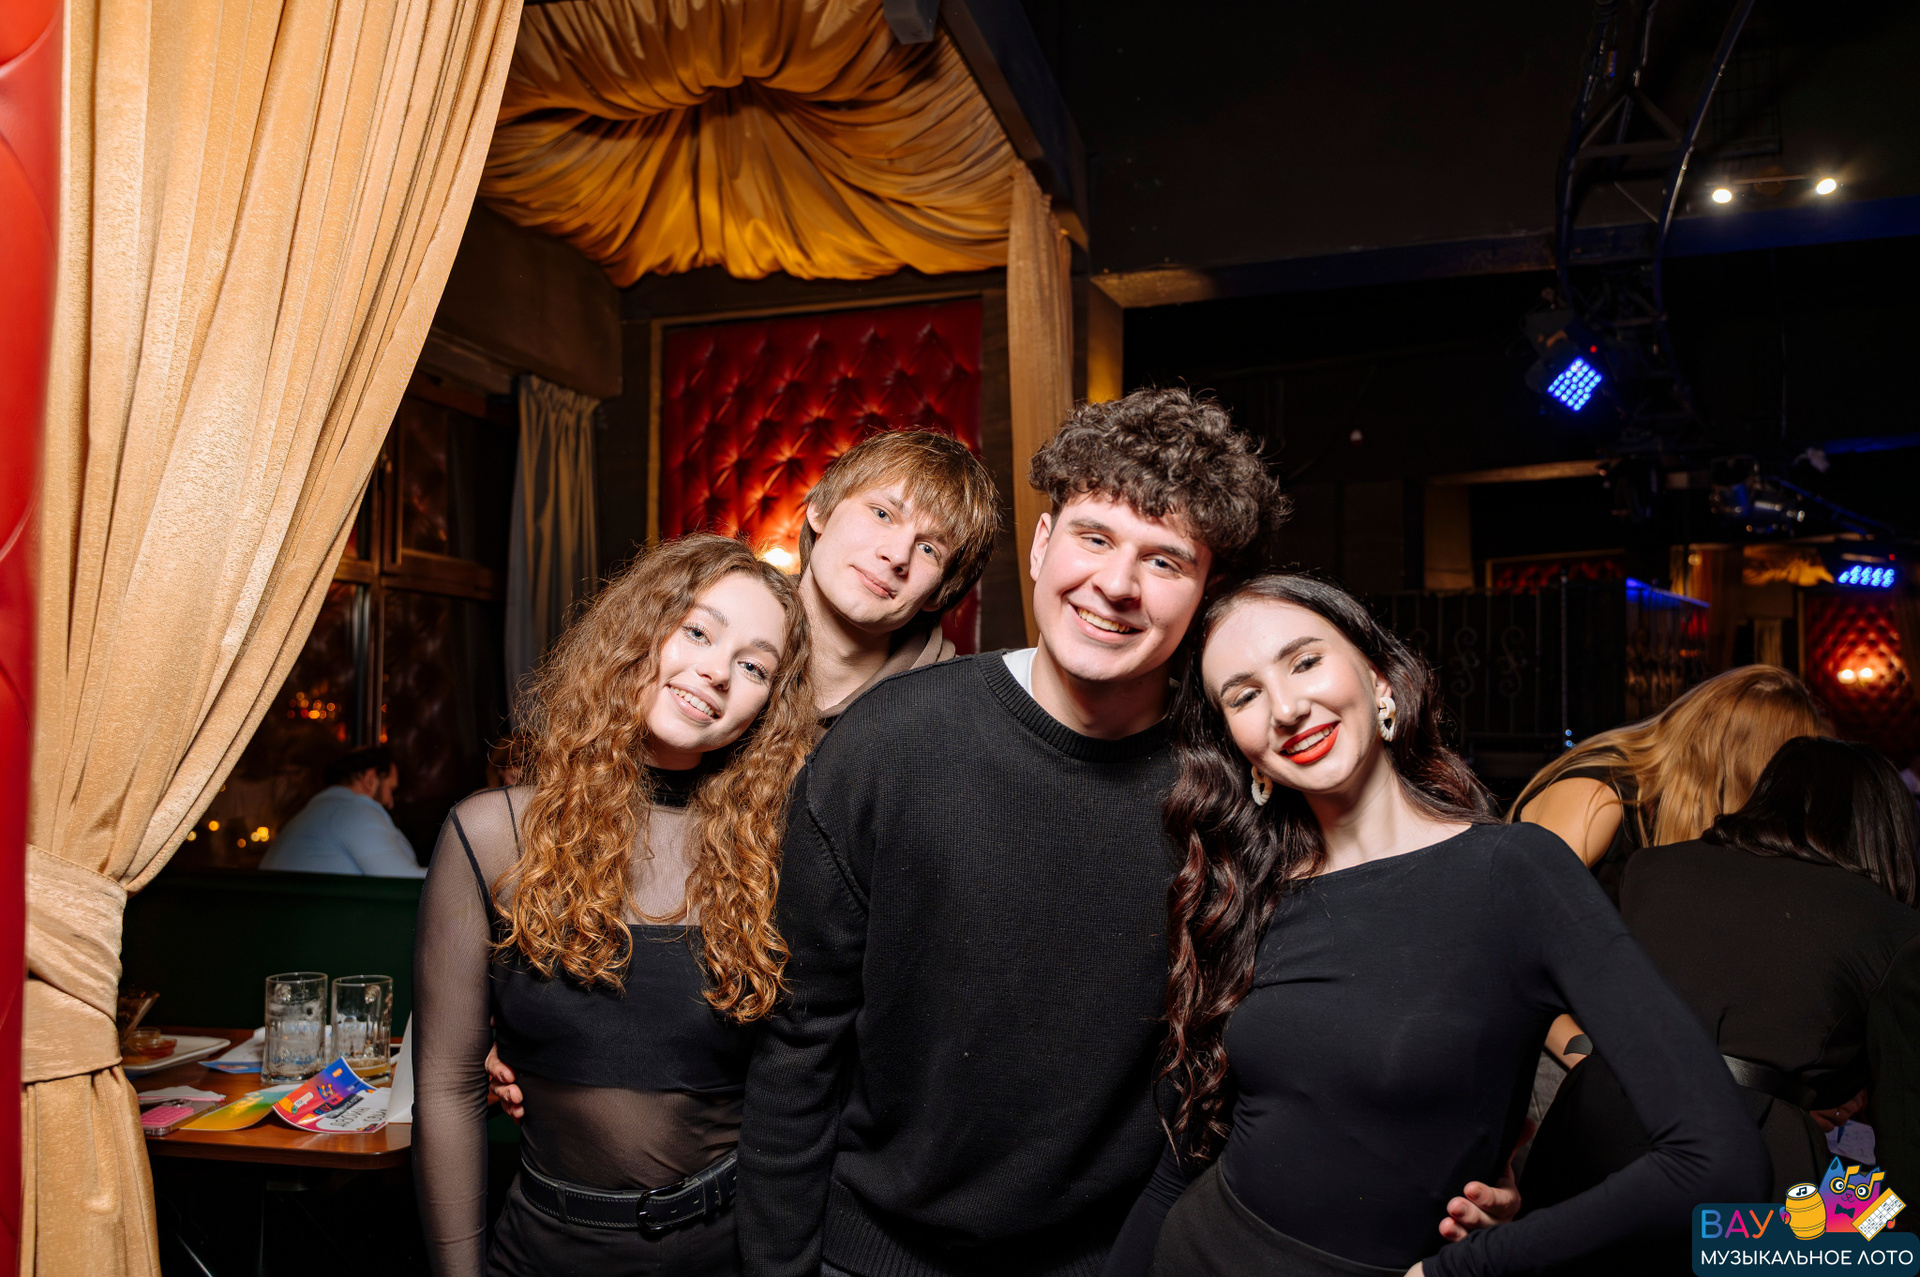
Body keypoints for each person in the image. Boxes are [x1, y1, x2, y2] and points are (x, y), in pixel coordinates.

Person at [740, 388, 1302, 1277]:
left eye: (1164, 560)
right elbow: (797, 1042)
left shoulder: (1237, 787)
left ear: (1208, 594)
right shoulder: (888, 741)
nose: (1116, 584)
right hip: (873, 1256)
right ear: (1042, 545)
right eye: (1094, 537)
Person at [1105, 573, 1767, 1277]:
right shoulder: (1245, 893)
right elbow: (1177, 1169)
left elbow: (1719, 1163)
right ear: (1237, 744)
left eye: (1305, 661)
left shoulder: (1513, 872)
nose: (1287, 708)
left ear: (1378, 678)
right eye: (1244, 695)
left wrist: (1471, 1265)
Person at [483, 428, 1001, 1119]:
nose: (896, 553)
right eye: (882, 512)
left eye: (931, 548)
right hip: (666, 1089)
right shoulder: (704, 648)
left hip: (835, 1101)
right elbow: (582, 831)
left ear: (944, 588)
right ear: (819, 509)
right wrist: (530, 1015)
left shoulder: (952, 727)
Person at [412, 534, 815, 1277]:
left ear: (769, 708)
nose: (716, 671)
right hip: (542, 1253)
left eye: (754, 666)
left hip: (734, 1254)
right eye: (698, 631)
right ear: (638, 631)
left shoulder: (782, 854)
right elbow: (446, 1088)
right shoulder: (494, 835)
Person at [1522, 736, 1920, 1214]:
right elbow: (1906, 1155)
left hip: (1589, 1133)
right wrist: (1872, 1227)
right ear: (1887, 829)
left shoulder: (1654, 867)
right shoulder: (1891, 928)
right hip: (1754, 1165)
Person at [1511, 667, 1828, 1076]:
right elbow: (1507, 946)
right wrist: (1589, 1059)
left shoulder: (1682, 821)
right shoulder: (1599, 796)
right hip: (1543, 1052)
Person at [257, 745, 426, 877]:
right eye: (391, 789)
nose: (390, 802)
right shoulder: (354, 811)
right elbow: (403, 880)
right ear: (370, 779)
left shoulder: (326, 808)